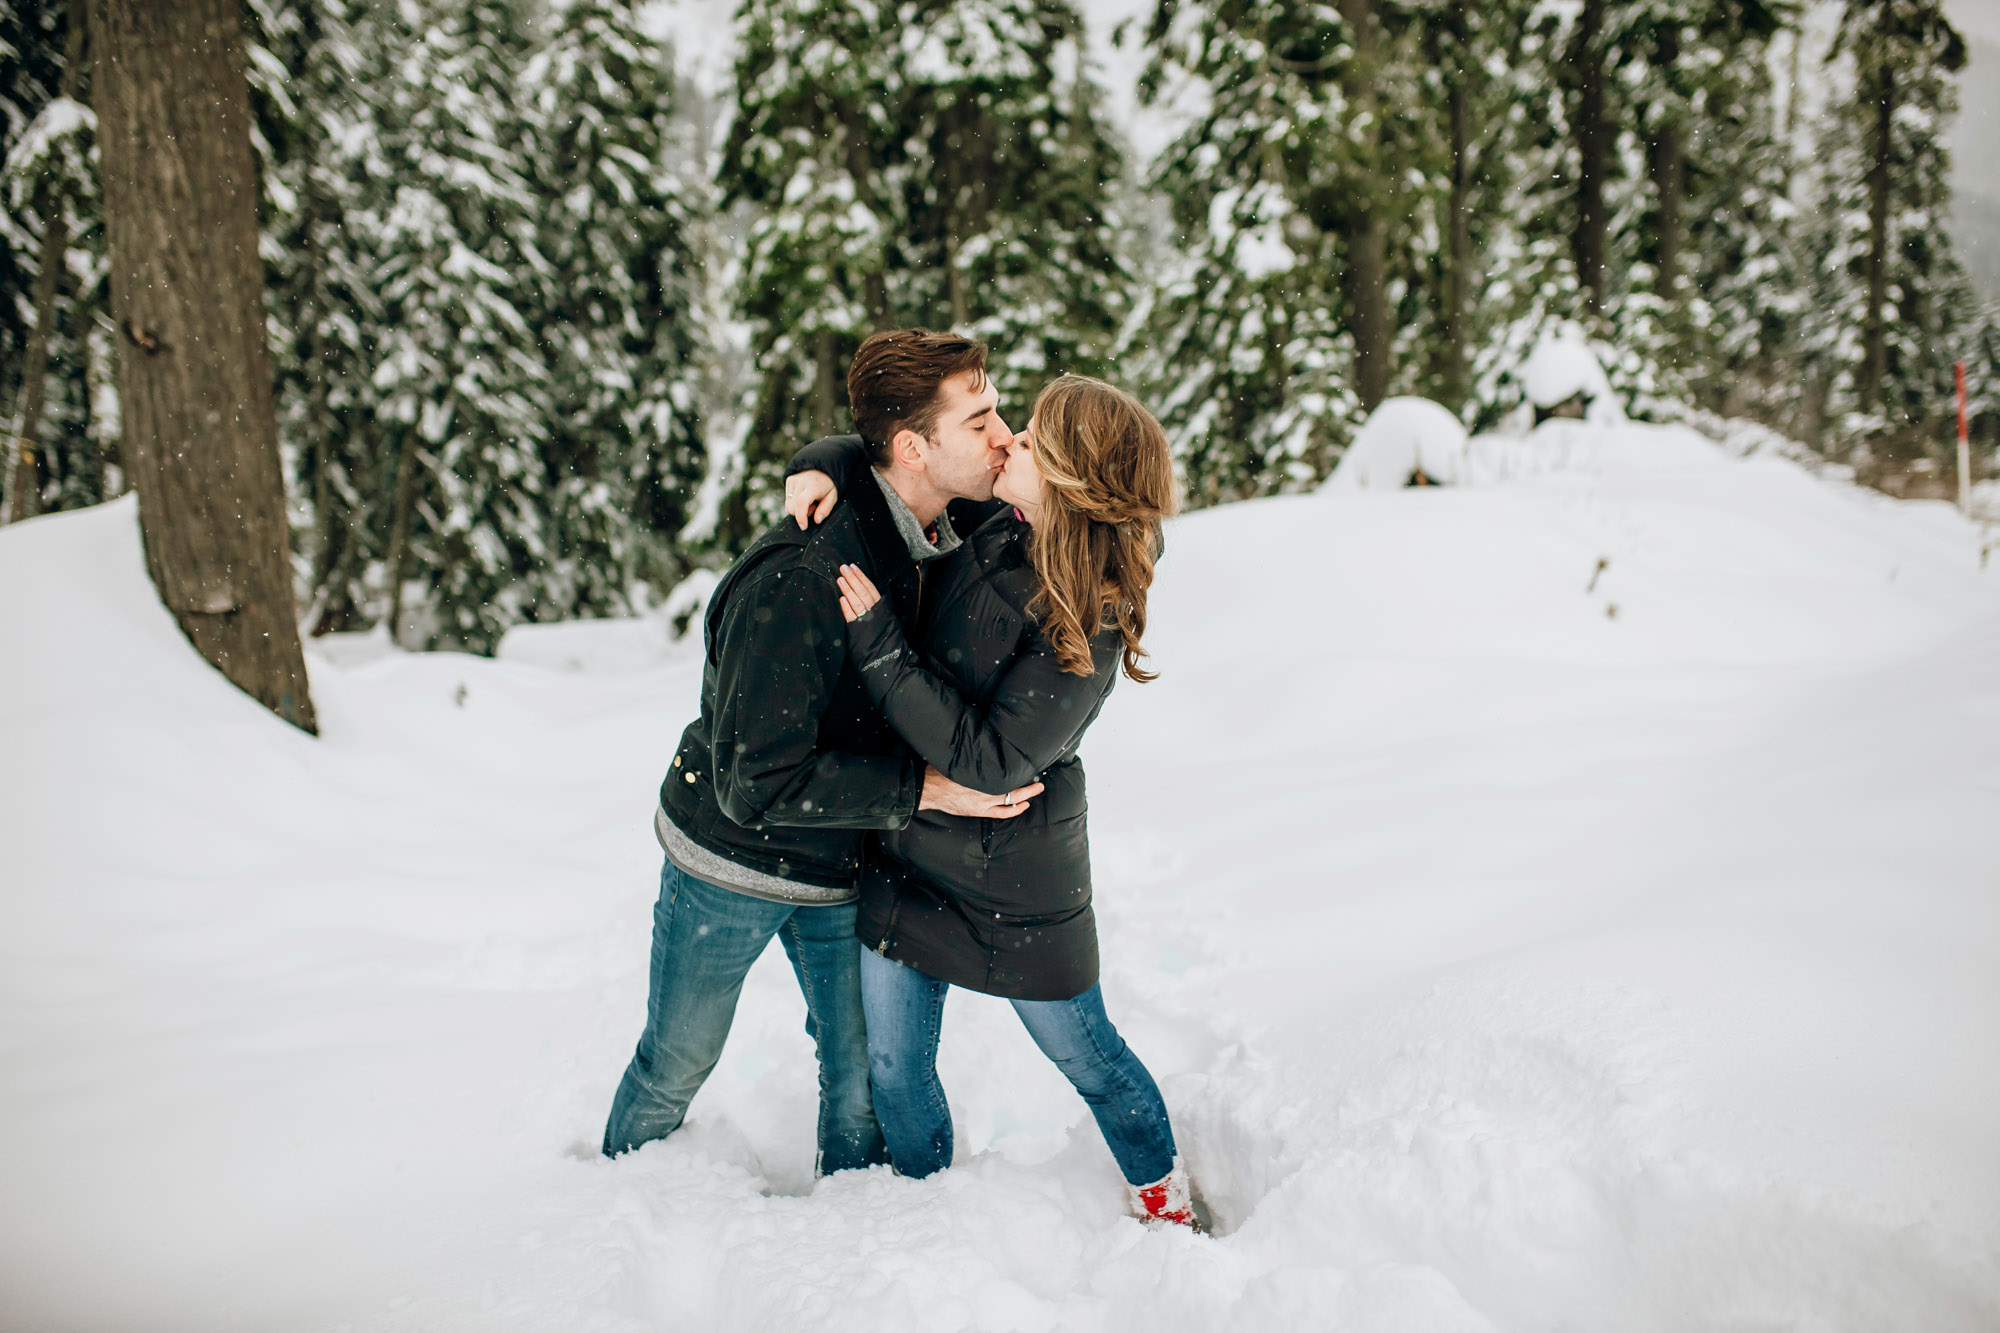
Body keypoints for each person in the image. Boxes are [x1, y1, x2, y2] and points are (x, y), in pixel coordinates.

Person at [602, 330, 1044, 1175]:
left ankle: (847, 1245)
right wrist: (925, 790)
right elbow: (753, 784)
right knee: (675, 1066)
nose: (1004, 434)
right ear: (915, 449)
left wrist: (828, 455)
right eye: (982, 416)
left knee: (862, 1083)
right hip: (728, 864)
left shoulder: (946, 512)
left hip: (845, 861)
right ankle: (615, 1203)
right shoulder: (803, 575)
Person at [782, 374, 1200, 1227]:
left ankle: (1166, 1205)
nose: (1006, 440)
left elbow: (994, 759)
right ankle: (929, 1216)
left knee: (1090, 1057)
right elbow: (905, 466)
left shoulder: (1092, 618)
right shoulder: (1001, 523)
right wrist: (821, 461)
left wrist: (883, 652)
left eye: (1031, 438)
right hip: (911, 844)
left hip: (1017, 882)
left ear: (1074, 481)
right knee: (895, 1066)